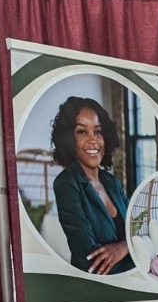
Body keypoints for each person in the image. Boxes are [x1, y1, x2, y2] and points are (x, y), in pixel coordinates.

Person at [50, 96, 134, 275]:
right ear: (69, 140)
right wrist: (137, 254)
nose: (93, 140)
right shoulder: (66, 184)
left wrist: (125, 246)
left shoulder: (113, 183)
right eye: (82, 132)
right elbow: (92, 261)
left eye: (98, 131)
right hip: (98, 291)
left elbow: (140, 232)